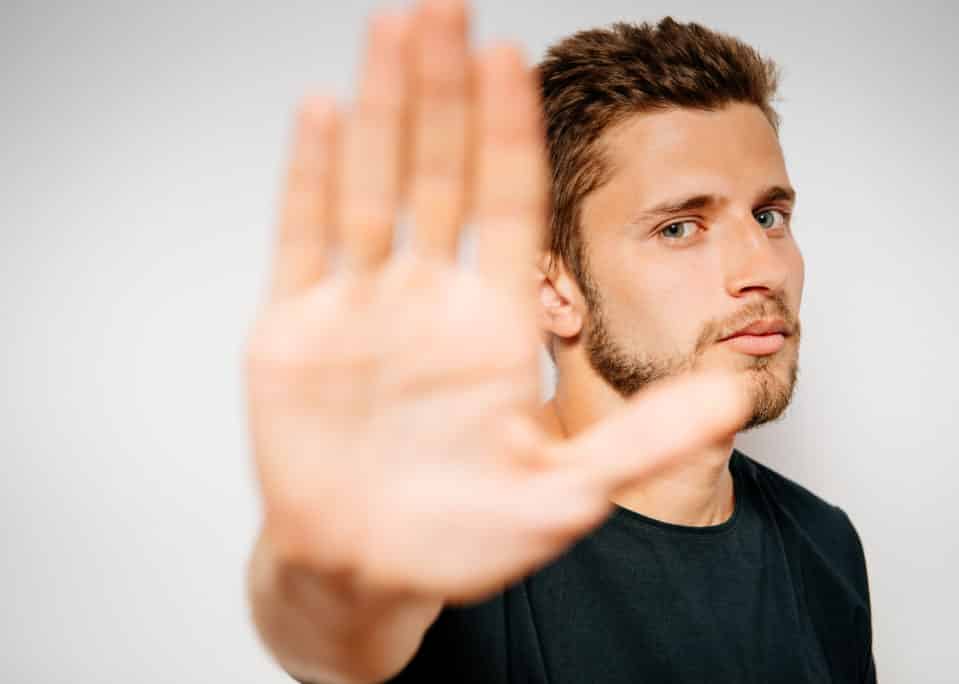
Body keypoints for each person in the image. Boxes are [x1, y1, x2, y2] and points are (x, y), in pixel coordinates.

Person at [243, 0, 876, 682]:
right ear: (554, 290)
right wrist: (336, 571)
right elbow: (339, 634)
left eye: (769, 215)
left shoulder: (824, 544)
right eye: (679, 228)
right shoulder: (458, 534)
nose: (763, 268)